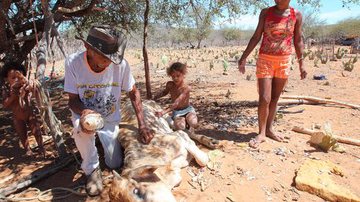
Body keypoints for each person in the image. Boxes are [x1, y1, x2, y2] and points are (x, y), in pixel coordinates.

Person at [64, 25, 154, 196]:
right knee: (82, 130)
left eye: (113, 57)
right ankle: (92, 169)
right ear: (88, 48)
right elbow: (73, 100)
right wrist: (84, 113)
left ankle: (102, 144)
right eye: (105, 57)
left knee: (114, 163)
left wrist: (143, 124)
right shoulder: (73, 63)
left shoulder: (121, 65)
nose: (110, 61)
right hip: (85, 116)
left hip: (109, 117)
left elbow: (133, 93)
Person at [238, 0, 307, 148]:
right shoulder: (266, 13)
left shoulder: (297, 15)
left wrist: (302, 63)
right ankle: (261, 132)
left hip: (283, 61)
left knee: (275, 98)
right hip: (265, 60)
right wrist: (244, 57)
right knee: (264, 98)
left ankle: (269, 129)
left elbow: (298, 40)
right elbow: (256, 36)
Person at [1, 62, 45, 157]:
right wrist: (12, 97)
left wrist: (28, 86)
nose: (17, 79)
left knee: (36, 131)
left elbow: (33, 91)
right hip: (17, 117)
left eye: (19, 76)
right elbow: (5, 104)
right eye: (13, 78)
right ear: (6, 79)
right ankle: (27, 150)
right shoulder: (7, 90)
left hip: (30, 114)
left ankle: (41, 147)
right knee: (22, 134)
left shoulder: (25, 85)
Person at [153, 62, 198, 131]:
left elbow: (176, 102)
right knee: (180, 128)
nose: (175, 78)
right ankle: (183, 121)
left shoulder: (186, 88)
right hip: (177, 112)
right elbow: (164, 92)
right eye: (173, 76)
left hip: (188, 110)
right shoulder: (170, 85)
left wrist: (163, 112)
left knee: (194, 123)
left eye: (178, 75)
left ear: (183, 74)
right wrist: (155, 97)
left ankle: (189, 124)